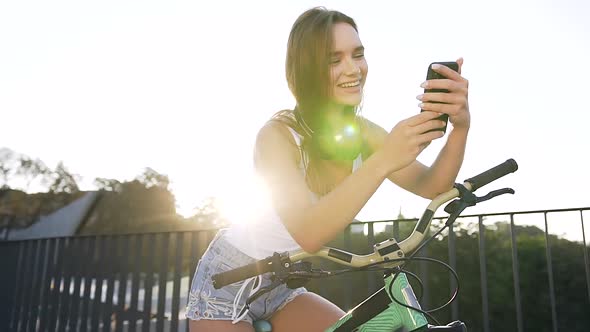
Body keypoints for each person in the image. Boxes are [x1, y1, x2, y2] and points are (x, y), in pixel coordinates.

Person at [186, 6, 470, 332]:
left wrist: (460, 126)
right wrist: (384, 159)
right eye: (334, 60)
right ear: (308, 70)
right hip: (227, 282)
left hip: (280, 286)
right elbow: (308, 233)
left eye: (358, 54)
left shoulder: (364, 133)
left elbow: (433, 185)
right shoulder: (277, 135)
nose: (353, 69)